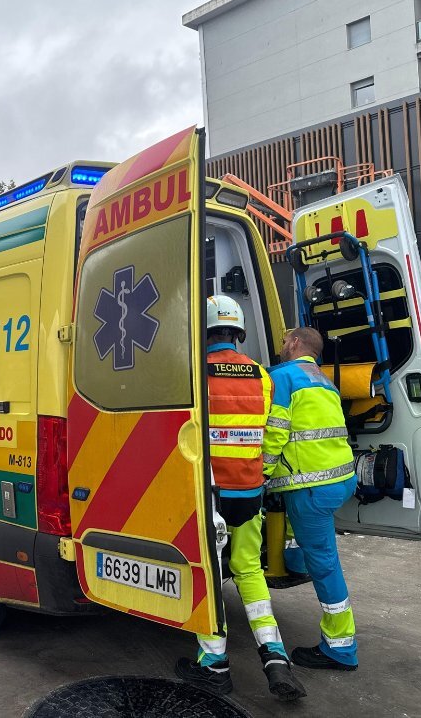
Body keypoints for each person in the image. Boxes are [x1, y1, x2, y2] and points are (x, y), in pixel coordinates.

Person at [176, 296, 306, 701]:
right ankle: (275, 657)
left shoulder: (194, 373)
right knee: (248, 570)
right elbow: (267, 430)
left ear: (204, 329)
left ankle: (214, 665)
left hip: (209, 493)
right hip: (249, 490)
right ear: (239, 331)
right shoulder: (261, 377)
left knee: (209, 574)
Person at [262, 327, 358, 671]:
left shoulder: (283, 377)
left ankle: (340, 646)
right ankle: (295, 561)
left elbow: (275, 431)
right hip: (340, 478)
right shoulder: (323, 379)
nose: (282, 345)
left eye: (285, 340)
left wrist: (260, 475)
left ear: (296, 343)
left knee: (325, 562)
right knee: (307, 541)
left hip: (311, 486)